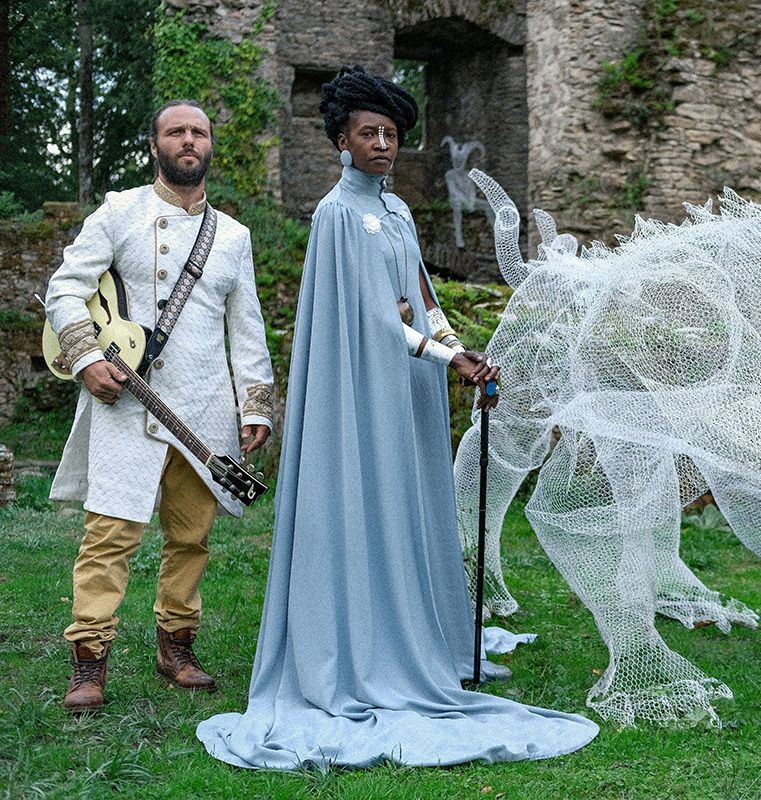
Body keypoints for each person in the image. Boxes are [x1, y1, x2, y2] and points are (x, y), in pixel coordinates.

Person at [196, 66, 598, 770]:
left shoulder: (401, 213)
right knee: (366, 499)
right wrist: (447, 359)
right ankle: (360, 645)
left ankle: (421, 634)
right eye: (368, 133)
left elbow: (423, 300)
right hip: (360, 387)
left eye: (390, 133)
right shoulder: (335, 215)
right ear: (342, 142)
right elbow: (372, 319)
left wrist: (457, 346)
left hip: (408, 387)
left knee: (412, 502)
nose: (382, 144)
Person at [45, 99, 275, 713]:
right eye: (176, 132)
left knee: (191, 539)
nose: (189, 140)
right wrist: (85, 357)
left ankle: (176, 648)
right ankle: (88, 659)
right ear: (155, 145)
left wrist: (255, 405)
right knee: (109, 537)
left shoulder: (234, 236)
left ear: (210, 145)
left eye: (199, 132)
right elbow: (65, 287)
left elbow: (247, 328)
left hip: (203, 409)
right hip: (125, 403)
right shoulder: (119, 211)